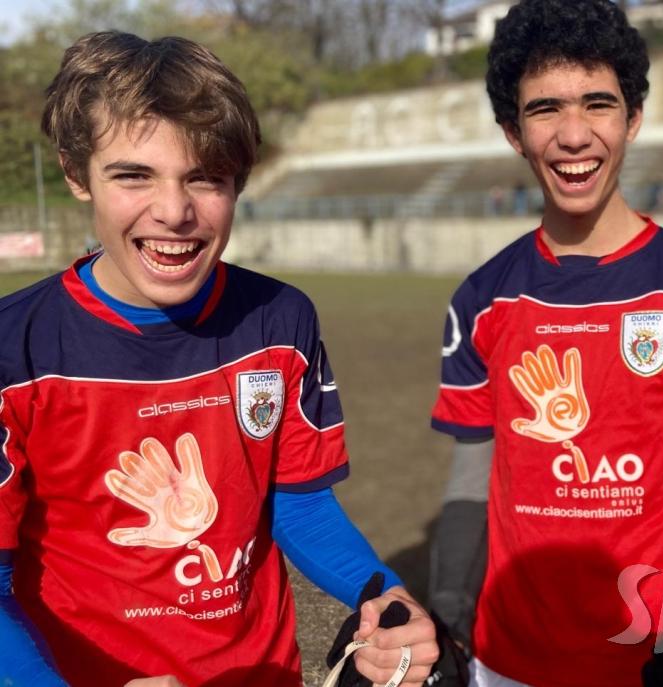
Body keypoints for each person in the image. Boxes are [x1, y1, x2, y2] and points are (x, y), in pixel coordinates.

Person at [0, 31, 437, 687]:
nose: (174, 211)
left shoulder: (281, 319)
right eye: (134, 175)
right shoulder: (16, 349)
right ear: (74, 170)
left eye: (204, 177)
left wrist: (388, 595)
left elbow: (300, 506)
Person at [427, 1, 663, 686]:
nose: (573, 135)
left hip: (650, 661)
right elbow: (469, 486)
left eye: (597, 104)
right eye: (545, 109)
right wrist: (450, 625)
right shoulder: (482, 302)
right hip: (507, 661)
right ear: (513, 132)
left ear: (632, 119)